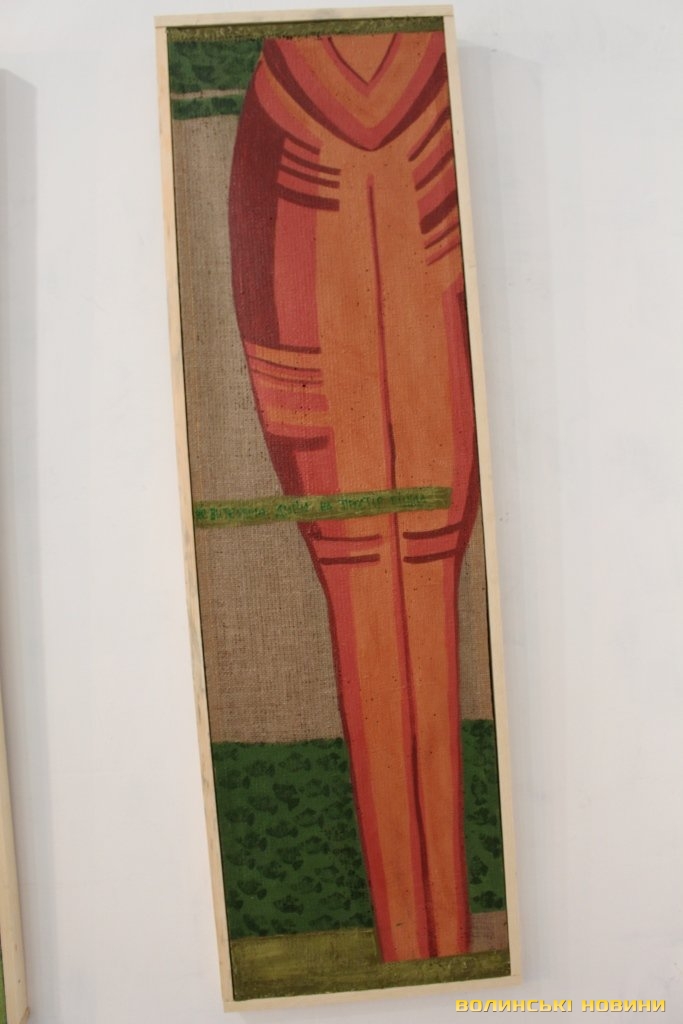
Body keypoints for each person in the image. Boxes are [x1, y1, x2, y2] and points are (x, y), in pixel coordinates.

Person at [229, 28, 480, 963]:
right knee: (370, 622)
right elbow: (266, 268)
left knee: (417, 609)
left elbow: (464, 286)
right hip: (340, 412)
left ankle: (441, 937)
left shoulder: (411, 75)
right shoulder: (289, 80)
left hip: (426, 405)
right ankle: (408, 939)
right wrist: (302, 424)